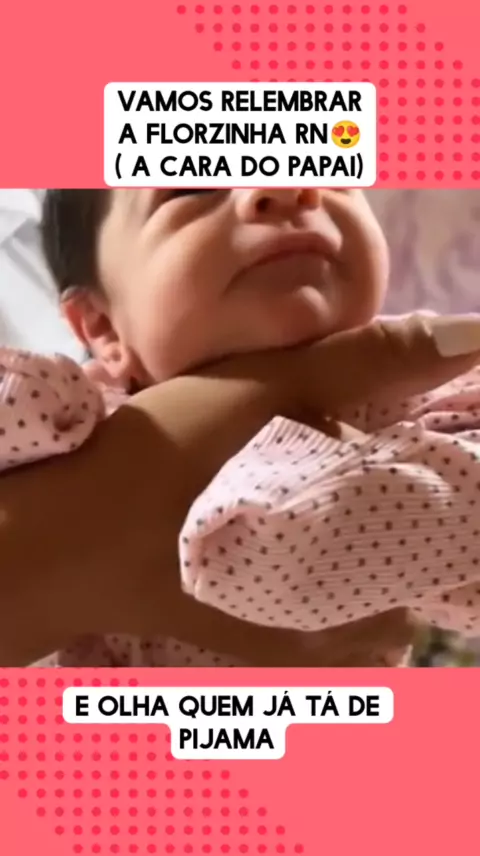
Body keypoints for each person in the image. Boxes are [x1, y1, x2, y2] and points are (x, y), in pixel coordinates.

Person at [2, 188, 480, 666]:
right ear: (103, 326)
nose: (284, 187)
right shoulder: (58, 415)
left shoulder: (435, 401)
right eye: (191, 186)